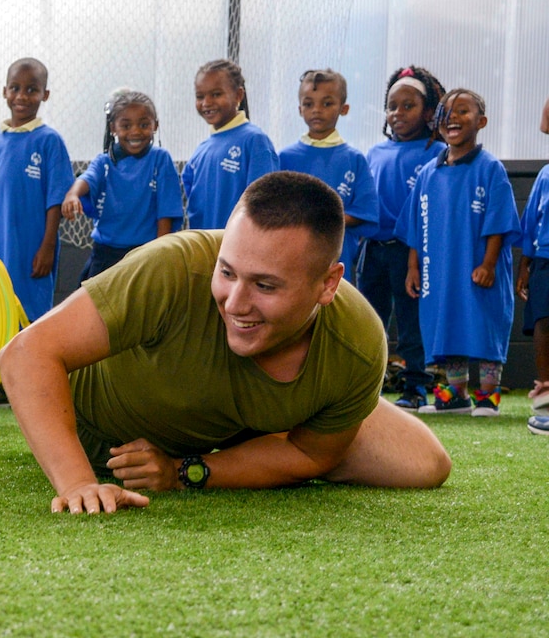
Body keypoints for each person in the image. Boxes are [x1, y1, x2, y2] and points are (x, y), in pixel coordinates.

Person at [0, 171, 451, 515]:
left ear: (328, 285)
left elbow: (310, 454)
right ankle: (275, 426)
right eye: (228, 272)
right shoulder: (173, 268)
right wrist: (77, 482)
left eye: (266, 286)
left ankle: (284, 424)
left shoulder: (357, 342)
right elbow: (26, 352)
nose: (235, 302)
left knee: (424, 465)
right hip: (98, 435)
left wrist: (182, 472)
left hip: (217, 434)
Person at [398, 89, 521, 417]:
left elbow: (499, 221)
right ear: (437, 123)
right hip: (439, 272)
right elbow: (414, 225)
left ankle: (487, 397)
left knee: (483, 326)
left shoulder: (490, 168)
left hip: (478, 269)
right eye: (446, 111)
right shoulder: (428, 173)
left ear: (481, 121)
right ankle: (454, 395)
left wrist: (489, 264)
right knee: (445, 326)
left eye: (462, 111)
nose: (452, 117)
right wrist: (413, 267)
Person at [0, 57, 74, 321]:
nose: (22, 96)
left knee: (30, 320)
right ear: (4, 92)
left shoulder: (49, 141)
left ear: (45, 94)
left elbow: (56, 201)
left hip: (30, 253)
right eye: (15, 88)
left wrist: (47, 246)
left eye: (32, 90)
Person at [359, 66, 448, 412]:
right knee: (369, 319)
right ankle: (369, 388)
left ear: (428, 112)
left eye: (408, 105)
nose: (398, 113)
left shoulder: (436, 153)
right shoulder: (373, 154)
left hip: (410, 253)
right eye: (392, 105)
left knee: (411, 322)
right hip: (372, 249)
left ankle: (415, 388)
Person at [61, 89, 183, 283]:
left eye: (144, 124)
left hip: (145, 254)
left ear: (155, 125)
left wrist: (160, 254)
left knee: (141, 311)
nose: (135, 131)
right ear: (113, 128)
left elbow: (166, 214)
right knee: (95, 309)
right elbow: (87, 178)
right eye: (126, 125)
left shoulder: (160, 160)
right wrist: (72, 195)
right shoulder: (105, 162)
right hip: (105, 254)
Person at [278, 69, 379, 281]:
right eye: (308, 104)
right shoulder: (284, 158)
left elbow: (365, 213)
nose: (317, 110)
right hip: (290, 256)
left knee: (334, 308)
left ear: (344, 108)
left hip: (337, 259)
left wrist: (320, 222)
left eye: (327, 103)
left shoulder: (354, 159)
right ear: (299, 109)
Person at [181, 59, 279, 230]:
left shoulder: (255, 141)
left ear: (238, 95)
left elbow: (265, 203)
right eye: (200, 96)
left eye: (216, 94)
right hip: (205, 249)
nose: (206, 102)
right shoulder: (202, 150)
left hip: (239, 250)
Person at [516, 158, 549, 432]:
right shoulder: (545, 174)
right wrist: (524, 265)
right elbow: (530, 224)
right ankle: (547, 397)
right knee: (543, 323)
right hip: (544, 260)